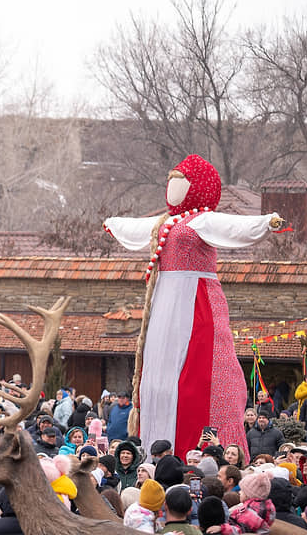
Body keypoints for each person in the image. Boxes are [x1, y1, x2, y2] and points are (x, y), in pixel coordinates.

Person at [104, 154, 283, 456]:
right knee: (157, 380)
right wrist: (114, 224)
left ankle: (203, 447)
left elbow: (233, 227)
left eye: (180, 182)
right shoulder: (165, 222)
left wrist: (267, 222)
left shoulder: (203, 220)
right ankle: (155, 448)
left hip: (193, 297)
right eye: (171, 182)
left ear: (197, 187)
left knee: (193, 375)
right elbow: (139, 228)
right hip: (164, 300)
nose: (172, 188)